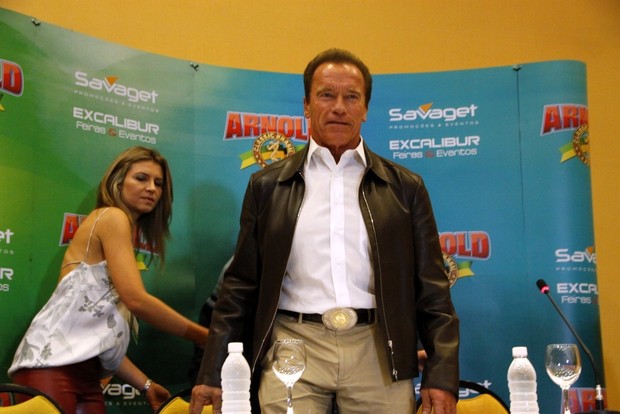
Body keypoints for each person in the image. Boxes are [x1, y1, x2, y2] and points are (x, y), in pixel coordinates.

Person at [191, 48, 459, 414]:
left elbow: (433, 289)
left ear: (365, 108)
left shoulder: (405, 188)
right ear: (306, 105)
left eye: (352, 97)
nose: (339, 107)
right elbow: (239, 286)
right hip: (292, 345)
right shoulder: (266, 186)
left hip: (378, 350)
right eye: (326, 95)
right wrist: (213, 371)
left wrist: (442, 374)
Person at [8, 146, 210, 414]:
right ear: (117, 181)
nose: (151, 188)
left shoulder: (120, 229)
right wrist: (206, 337)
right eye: (141, 178)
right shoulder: (112, 217)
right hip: (51, 368)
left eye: (158, 183)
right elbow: (136, 300)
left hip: (87, 377)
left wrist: (146, 385)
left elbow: (95, 341)